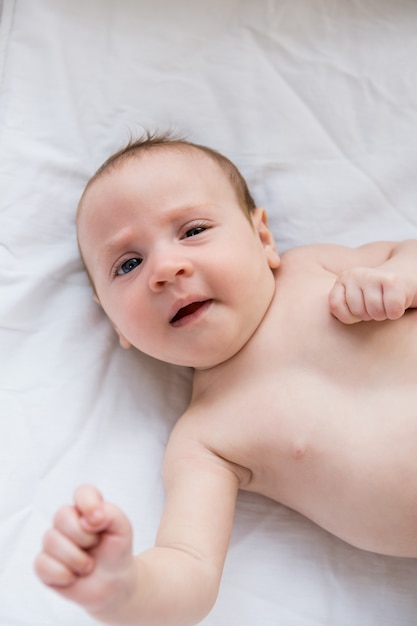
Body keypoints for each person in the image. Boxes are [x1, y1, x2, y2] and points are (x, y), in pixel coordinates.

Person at [35, 131, 417, 626]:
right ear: (113, 322)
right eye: (128, 264)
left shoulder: (316, 267)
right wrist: (122, 587)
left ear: (262, 239)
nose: (166, 269)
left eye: (192, 230)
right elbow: (188, 568)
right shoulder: (206, 439)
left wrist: (401, 277)